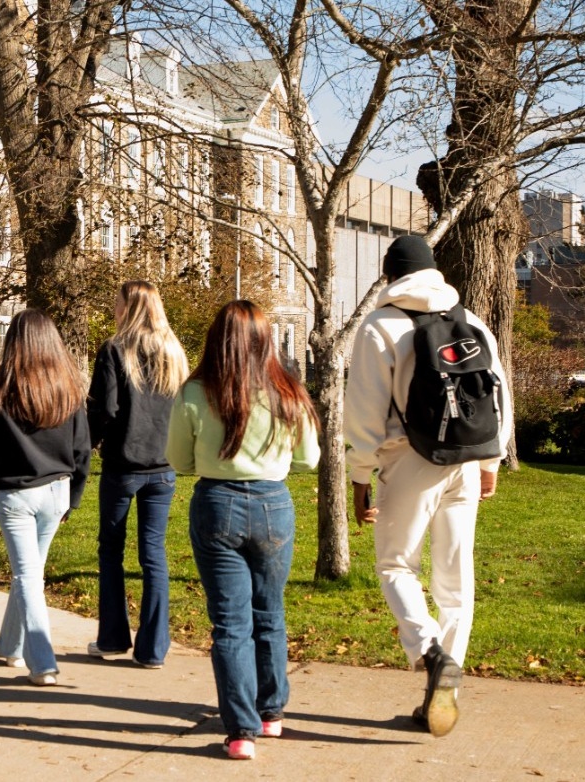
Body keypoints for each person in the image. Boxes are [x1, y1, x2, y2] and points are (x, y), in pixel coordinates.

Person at [344, 234, 513, 737]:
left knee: (397, 564)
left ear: (389, 274)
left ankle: (430, 653)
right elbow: (499, 392)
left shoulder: (380, 325)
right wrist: (492, 461)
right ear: (432, 270)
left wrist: (359, 476)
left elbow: (365, 413)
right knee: (455, 581)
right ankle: (445, 691)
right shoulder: (471, 320)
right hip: (467, 460)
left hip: (409, 460)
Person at [166, 301, 320, 760]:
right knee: (269, 611)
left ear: (217, 340)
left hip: (217, 502)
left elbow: (178, 461)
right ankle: (272, 712)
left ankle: (240, 733)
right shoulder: (287, 390)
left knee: (230, 623)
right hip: (273, 503)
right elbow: (309, 458)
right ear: (265, 340)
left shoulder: (195, 392)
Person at [0, 309, 92, 687]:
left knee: (27, 575)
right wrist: (73, 497)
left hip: (16, 494)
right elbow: (82, 448)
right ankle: (10, 644)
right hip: (56, 490)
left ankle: (42, 662)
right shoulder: (68, 385)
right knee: (30, 573)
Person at [86, 281, 190, 669]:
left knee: (111, 549)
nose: (114, 307)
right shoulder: (173, 352)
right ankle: (153, 648)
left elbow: (105, 409)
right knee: (154, 555)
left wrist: (86, 445)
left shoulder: (115, 350)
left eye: (117, 302)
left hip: (123, 465)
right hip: (163, 467)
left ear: (129, 307)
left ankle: (112, 637)